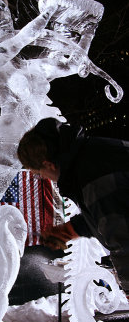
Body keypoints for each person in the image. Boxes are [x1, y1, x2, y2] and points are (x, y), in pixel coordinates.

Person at [17, 117, 129, 293]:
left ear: (48, 164)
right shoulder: (90, 158)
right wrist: (68, 231)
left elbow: (123, 240)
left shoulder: (95, 174)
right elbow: (105, 213)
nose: (43, 178)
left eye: (39, 173)